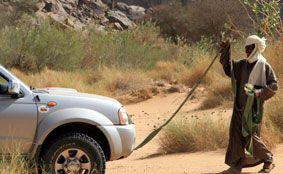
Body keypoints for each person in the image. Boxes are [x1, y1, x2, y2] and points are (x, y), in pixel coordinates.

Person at [219, 35, 278, 174]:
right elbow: (229, 69)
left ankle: (268, 160)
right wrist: (226, 50)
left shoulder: (264, 65)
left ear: (255, 48)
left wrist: (258, 92)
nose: (246, 51)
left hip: (253, 109)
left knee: (249, 135)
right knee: (237, 135)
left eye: (249, 48)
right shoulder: (242, 64)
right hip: (239, 107)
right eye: (245, 48)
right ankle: (236, 166)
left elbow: (274, 86)